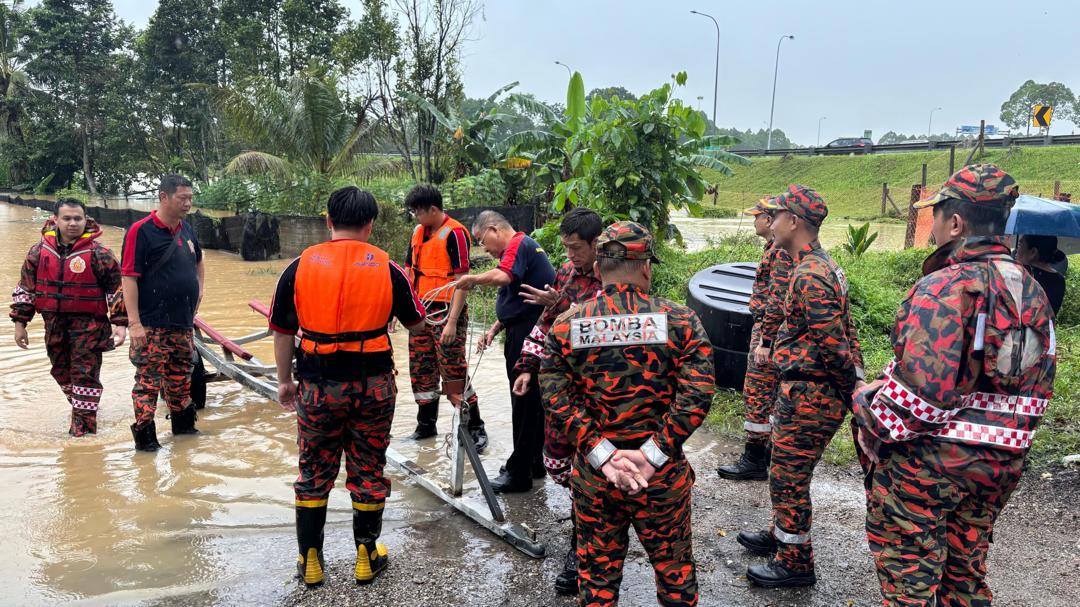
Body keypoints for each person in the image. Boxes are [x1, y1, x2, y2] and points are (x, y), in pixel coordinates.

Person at [852, 165, 1056, 606]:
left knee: (910, 580)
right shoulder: (1033, 290)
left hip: (931, 469)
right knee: (964, 574)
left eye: (937, 215)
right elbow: (1040, 384)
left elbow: (920, 401)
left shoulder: (944, 288)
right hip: (1000, 465)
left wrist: (866, 402)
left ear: (956, 223)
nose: (934, 225)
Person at [541, 221, 715, 607]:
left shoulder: (567, 326)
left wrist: (602, 455)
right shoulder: (681, 322)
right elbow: (697, 395)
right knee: (675, 575)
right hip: (662, 479)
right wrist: (653, 454)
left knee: (598, 582)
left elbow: (555, 399)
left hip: (596, 478)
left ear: (599, 268)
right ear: (647, 266)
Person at [269, 186, 426, 588]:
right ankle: (366, 554)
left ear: (328, 221)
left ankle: (310, 560)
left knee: (313, 469)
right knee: (368, 466)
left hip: (317, 387)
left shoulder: (298, 267)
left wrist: (285, 381)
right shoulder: (390, 269)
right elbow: (417, 323)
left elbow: (283, 329)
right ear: (371, 224)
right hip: (372, 386)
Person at [736, 185, 864, 588]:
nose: (769, 224)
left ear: (793, 221)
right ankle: (780, 538)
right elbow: (845, 331)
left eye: (775, 216)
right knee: (783, 470)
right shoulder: (814, 266)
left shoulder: (810, 274)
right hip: (803, 389)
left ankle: (795, 563)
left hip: (812, 393)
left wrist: (853, 391)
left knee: (788, 476)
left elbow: (834, 343)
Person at [511, 207, 603, 595]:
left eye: (577, 248)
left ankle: (583, 549)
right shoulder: (565, 275)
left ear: (597, 244)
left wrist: (566, 309)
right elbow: (547, 326)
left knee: (590, 469)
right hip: (561, 390)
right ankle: (589, 518)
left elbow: (604, 326)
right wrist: (528, 366)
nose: (570, 256)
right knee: (556, 461)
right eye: (565, 248)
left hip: (598, 393)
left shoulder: (615, 277)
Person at [454, 210, 555, 493]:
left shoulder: (518, 245)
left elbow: (503, 277)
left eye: (482, 240)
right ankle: (532, 461)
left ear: (494, 229)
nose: (483, 248)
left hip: (527, 335)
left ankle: (519, 472)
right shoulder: (525, 249)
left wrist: (472, 279)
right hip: (524, 329)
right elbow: (517, 299)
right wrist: (494, 329)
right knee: (531, 402)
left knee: (523, 403)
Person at [10, 198, 127, 436]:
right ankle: (85, 407)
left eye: (78, 218)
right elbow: (26, 289)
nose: (73, 223)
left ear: (86, 220)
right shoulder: (38, 252)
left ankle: (82, 437)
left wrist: (120, 323)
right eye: (67, 218)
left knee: (84, 377)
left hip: (89, 327)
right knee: (61, 372)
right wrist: (19, 324)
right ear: (55, 220)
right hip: (54, 325)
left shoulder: (100, 254)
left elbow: (118, 289)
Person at [121, 174, 204, 451]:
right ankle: (146, 444)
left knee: (181, 378)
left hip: (182, 324)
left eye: (190, 198)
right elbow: (129, 278)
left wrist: (199, 291)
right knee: (148, 383)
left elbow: (199, 262)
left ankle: (184, 435)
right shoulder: (140, 231)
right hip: (151, 326)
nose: (188, 203)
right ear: (163, 197)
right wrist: (134, 323)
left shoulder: (187, 230)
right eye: (183, 198)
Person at [402, 184, 487, 450]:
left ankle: (475, 426)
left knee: (453, 369)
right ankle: (426, 426)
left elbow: (463, 281)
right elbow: (408, 271)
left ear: (434, 209)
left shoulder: (456, 234)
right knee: (421, 369)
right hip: (420, 309)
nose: (416, 216)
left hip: (446, 310)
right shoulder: (418, 232)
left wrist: (452, 321)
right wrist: (403, 309)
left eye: (418, 211)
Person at [717, 198, 792, 481]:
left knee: (758, 391)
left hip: (769, 329)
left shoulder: (780, 253)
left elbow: (777, 298)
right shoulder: (775, 248)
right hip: (767, 327)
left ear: (770, 219)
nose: (754, 221)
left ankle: (755, 459)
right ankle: (765, 454)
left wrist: (766, 340)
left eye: (758, 216)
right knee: (766, 393)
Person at [1016, 234, 1066, 314]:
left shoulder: (1025, 275)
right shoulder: (1059, 280)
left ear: (1033, 252)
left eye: (1020, 245)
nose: (1016, 250)